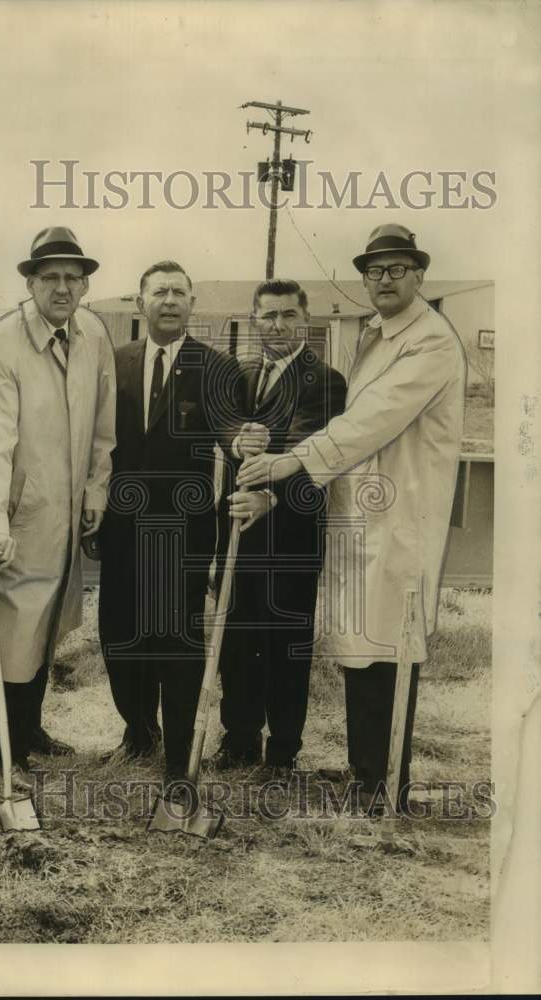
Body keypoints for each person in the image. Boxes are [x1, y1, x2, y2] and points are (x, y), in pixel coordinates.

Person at [237, 224, 466, 811]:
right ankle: (366, 772)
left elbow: (370, 423)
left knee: (392, 643)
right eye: (374, 271)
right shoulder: (377, 335)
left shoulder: (431, 341)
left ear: (419, 275)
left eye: (396, 270)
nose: (384, 280)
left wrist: (289, 464)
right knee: (362, 643)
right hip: (362, 512)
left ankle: (384, 784)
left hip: (402, 513)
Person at [0, 227, 115, 784]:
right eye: (49, 277)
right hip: (22, 516)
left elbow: (103, 426)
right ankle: (6, 753)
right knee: (15, 630)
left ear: (85, 285)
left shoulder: (94, 334)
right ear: (29, 282)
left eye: (73, 278)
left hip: (70, 513)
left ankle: (29, 730)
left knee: (48, 625)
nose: (62, 287)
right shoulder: (3, 342)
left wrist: (97, 490)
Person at [98, 260, 250, 790]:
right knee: (120, 634)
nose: (168, 300)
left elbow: (229, 427)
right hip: (118, 526)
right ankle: (138, 731)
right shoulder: (112, 362)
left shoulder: (216, 367)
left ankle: (178, 756)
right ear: (139, 302)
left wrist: (240, 441)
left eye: (178, 292)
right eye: (158, 291)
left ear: (191, 303)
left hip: (181, 528)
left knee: (175, 640)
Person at [218, 280, 347, 780]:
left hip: (290, 536)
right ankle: (240, 739)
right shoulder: (243, 375)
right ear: (254, 320)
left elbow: (311, 456)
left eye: (289, 316)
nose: (278, 325)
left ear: (305, 320)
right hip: (239, 534)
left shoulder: (325, 381)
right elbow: (227, 432)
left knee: (284, 646)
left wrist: (269, 497)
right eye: (268, 316)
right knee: (238, 641)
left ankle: (282, 751)